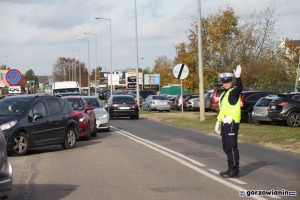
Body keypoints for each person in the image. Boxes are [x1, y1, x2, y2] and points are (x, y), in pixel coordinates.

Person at [215, 65, 243, 178]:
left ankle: (234, 170)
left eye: (228, 81)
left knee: (231, 146)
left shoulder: (233, 92)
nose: (225, 83)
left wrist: (238, 78)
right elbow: (223, 109)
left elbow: (240, 87)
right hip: (225, 123)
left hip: (232, 122)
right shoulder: (224, 94)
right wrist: (218, 121)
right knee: (226, 147)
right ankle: (230, 168)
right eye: (224, 82)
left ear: (231, 82)